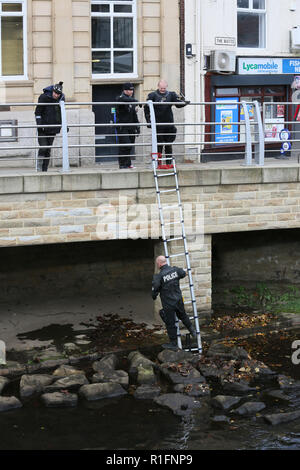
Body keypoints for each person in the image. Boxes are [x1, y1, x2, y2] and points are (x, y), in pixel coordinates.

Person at [152, 255, 196, 350]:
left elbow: (155, 289)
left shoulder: (159, 276)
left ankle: (173, 343)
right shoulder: (175, 270)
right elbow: (183, 274)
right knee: (183, 316)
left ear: (159, 264)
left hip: (168, 303)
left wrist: (154, 296)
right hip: (178, 300)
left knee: (170, 322)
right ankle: (193, 331)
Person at [144, 79, 189, 169]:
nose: (163, 90)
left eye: (164, 88)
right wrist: (149, 121)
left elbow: (177, 104)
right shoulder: (152, 95)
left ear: (166, 87)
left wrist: (185, 103)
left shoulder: (171, 94)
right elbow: (146, 108)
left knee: (168, 145)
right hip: (158, 124)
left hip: (169, 123)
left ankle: (169, 163)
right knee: (159, 145)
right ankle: (158, 164)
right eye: (161, 88)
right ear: (158, 86)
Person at [35, 81, 65, 172]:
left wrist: (64, 124)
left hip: (53, 128)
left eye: (58, 94)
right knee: (43, 147)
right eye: (55, 93)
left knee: (48, 149)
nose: (56, 95)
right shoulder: (43, 97)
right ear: (52, 91)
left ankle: (45, 170)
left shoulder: (61, 99)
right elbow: (37, 112)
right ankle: (39, 168)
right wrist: (39, 124)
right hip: (43, 129)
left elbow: (61, 114)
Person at [116, 83, 140, 169]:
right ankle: (122, 164)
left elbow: (134, 115)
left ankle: (128, 163)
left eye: (132, 90)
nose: (132, 91)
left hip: (131, 126)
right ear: (125, 90)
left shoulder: (131, 100)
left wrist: (137, 126)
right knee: (125, 145)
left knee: (130, 146)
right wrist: (137, 102)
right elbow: (124, 100)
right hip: (122, 126)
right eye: (130, 90)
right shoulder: (120, 98)